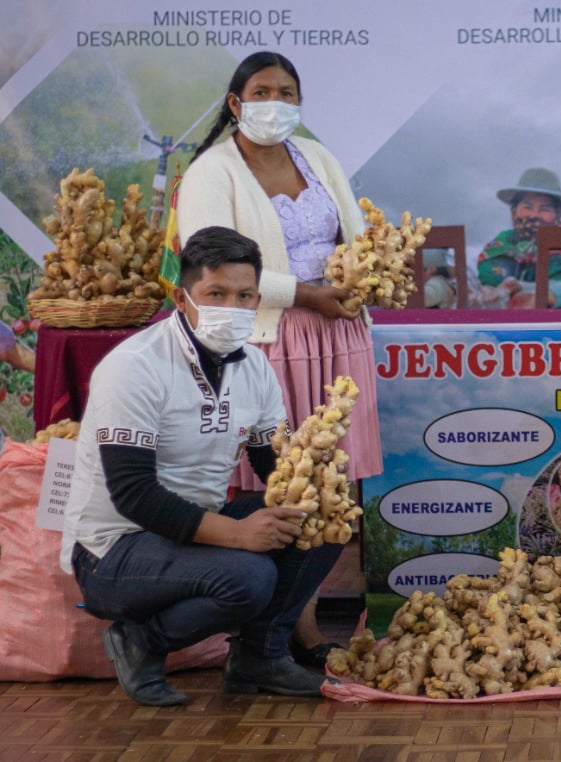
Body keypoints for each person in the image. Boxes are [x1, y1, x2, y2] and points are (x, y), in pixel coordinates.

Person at [58, 226, 340, 706]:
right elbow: (134, 494)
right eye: (217, 293)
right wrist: (238, 535)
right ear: (183, 297)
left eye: (245, 295)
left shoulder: (254, 367)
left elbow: (275, 461)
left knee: (324, 523)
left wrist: (313, 473)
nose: (232, 307)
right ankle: (139, 642)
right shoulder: (135, 367)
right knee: (249, 577)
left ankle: (259, 656)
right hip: (114, 550)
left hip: (189, 535)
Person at [177, 51, 382, 668]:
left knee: (333, 481)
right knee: (281, 479)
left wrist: (364, 276)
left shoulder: (316, 157)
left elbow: (356, 237)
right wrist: (307, 294)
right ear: (237, 103)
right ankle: (282, 628)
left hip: (338, 333)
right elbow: (210, 267)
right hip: (266, 339)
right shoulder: (212, 171)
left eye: (287, 92)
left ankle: (298, 617)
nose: (276, 102)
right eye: (262, 91)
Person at [474, 168, 561, 308]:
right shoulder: (504, 241)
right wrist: (497, 290)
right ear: (514, 212)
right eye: (527, 207)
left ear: (557, 216)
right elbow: (490, 279)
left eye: (544, 209)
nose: (534, 215)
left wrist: (542, 295)